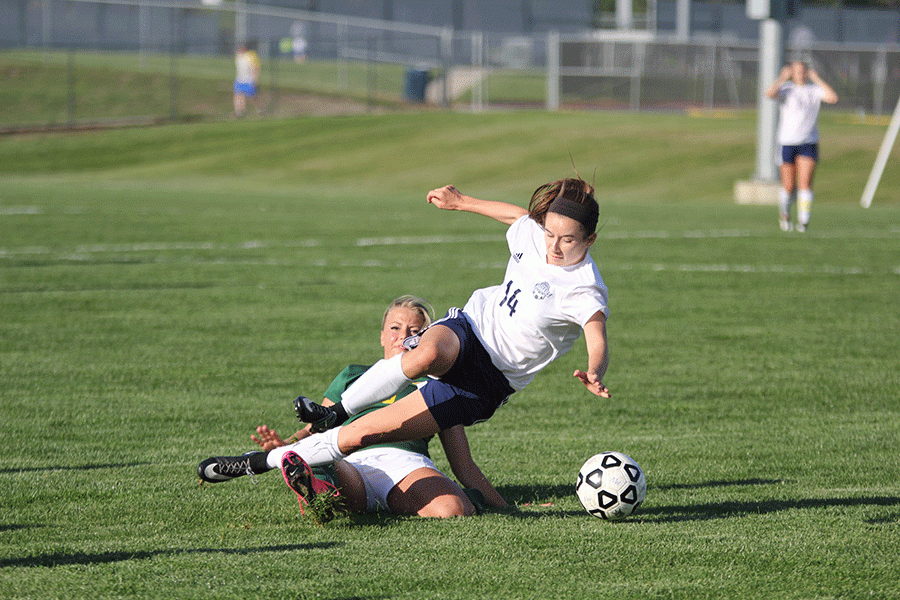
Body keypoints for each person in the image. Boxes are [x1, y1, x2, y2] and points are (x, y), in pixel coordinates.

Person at [200, 177, 610, 491]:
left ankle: (255, 463)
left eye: (568, 240)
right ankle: (333, 412)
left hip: (488, 381)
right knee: (426, 355)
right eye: (550, 234)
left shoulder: (583, 288)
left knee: (365, 432)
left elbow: (597, 335)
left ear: (590, 239)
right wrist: (461, 201)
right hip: (469, 328)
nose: (553, 247)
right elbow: (517, 218)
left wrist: (595, 370)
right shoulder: (536, 236)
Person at [199, 296, 507, 518]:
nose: (403, 337)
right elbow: (315, 428)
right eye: (396, 328)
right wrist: (288, 446)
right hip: (351, 461)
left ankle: (324, 490)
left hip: (406, 465)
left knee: (452, 510)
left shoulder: (439, 384)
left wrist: (504, 507)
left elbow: (463, 464)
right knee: (329, 462)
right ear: (382, 335)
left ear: (426, 338)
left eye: (415, 331)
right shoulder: (354, 376)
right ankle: (313, 483)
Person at [765, 60, 839, 232]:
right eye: (797, 71)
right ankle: (784, 213)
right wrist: (782, 78)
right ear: (792, 72)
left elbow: (833, 98)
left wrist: (817, 79)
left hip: (808, 142)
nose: (801, 75)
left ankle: (804, 221)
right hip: (787, 142)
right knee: (789, 185)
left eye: (803, 71)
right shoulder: (787, 88)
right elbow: (769, 93)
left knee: (805, 183)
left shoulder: (814, 90)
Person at [233, 42, 261, 118]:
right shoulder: (238, 56)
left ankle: (259, 108)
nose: (239, 49)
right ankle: (239, 112)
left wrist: (255, 79)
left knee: (252, 98)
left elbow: (256, 68)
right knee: (238, 96)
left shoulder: (251, 55)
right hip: (239, 79)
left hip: (249, 80)